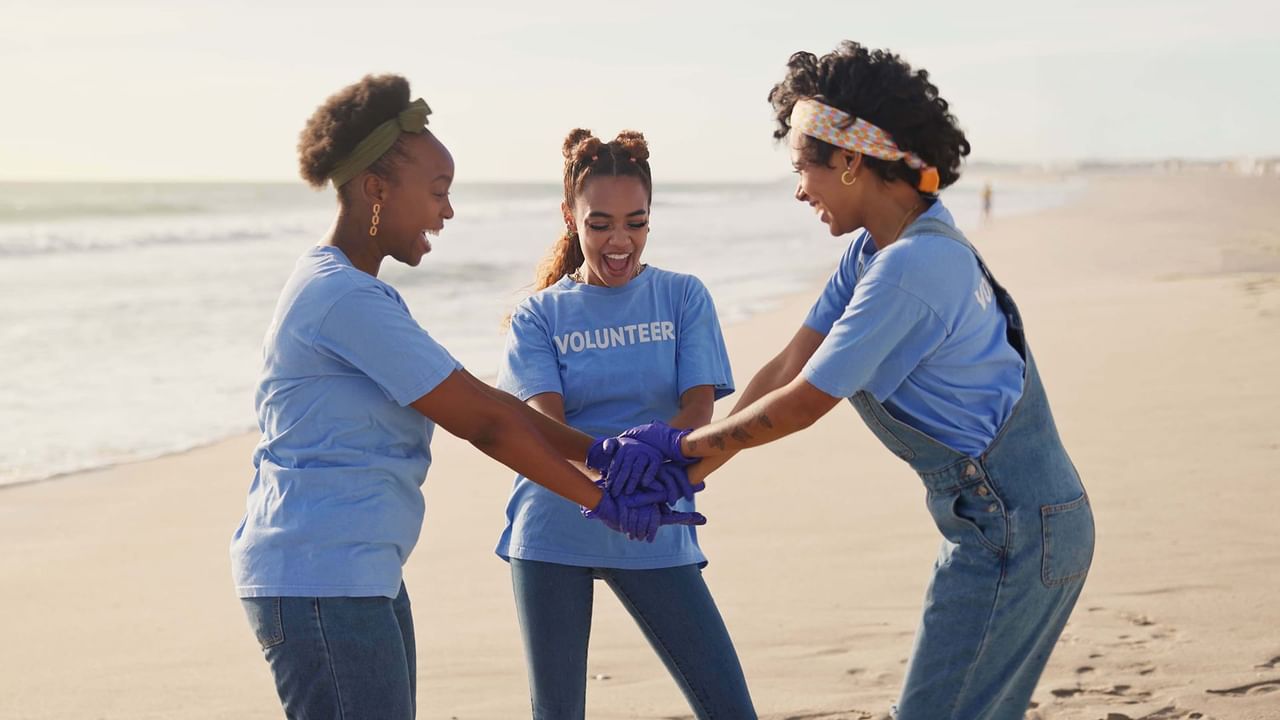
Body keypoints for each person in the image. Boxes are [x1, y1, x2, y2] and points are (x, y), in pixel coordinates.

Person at [612, 43, 1095, 720]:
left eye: (800, 168)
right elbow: (785, 368)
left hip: (1013, 530)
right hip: (1010, 524)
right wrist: (684, 467)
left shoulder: (911, 268)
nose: (798, 189)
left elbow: (804, 404)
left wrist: (676, 456)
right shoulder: (882, 247)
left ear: (847, 160)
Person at [229, 75, 690, 720]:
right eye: (438, 192)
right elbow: (484, 426)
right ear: (376, 190)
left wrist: (609, 456)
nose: (446, 212)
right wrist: (605, 499)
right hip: (320, 579)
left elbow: (489, 405)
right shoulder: (343, 298)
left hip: (355, 573)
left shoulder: (356, 291)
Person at [494, 129, 756, 719]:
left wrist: (649, 461)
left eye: (636, 223)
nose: (620, 240)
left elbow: (697, 411)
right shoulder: (539, 313)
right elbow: (542, 427)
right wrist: (613, 463)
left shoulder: (683, 297)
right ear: (570, 217)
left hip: (652, 519)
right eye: (600, 223)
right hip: (555, 525)